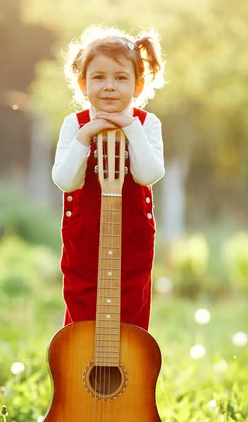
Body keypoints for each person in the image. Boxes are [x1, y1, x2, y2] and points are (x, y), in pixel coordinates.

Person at [52, 25, 166, 331]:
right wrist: (85, 134)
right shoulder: (74, 124)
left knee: (130, 305)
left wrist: (130, 128)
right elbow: (65, 180)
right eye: (99, 77)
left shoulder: (147, 124)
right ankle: (78, 372)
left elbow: (149, 173)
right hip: (84, 232)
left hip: (132, 233)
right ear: (82, 83)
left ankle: (130, 374)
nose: (109, 86)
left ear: (138, 85)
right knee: (82, 302)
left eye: (121, 78)